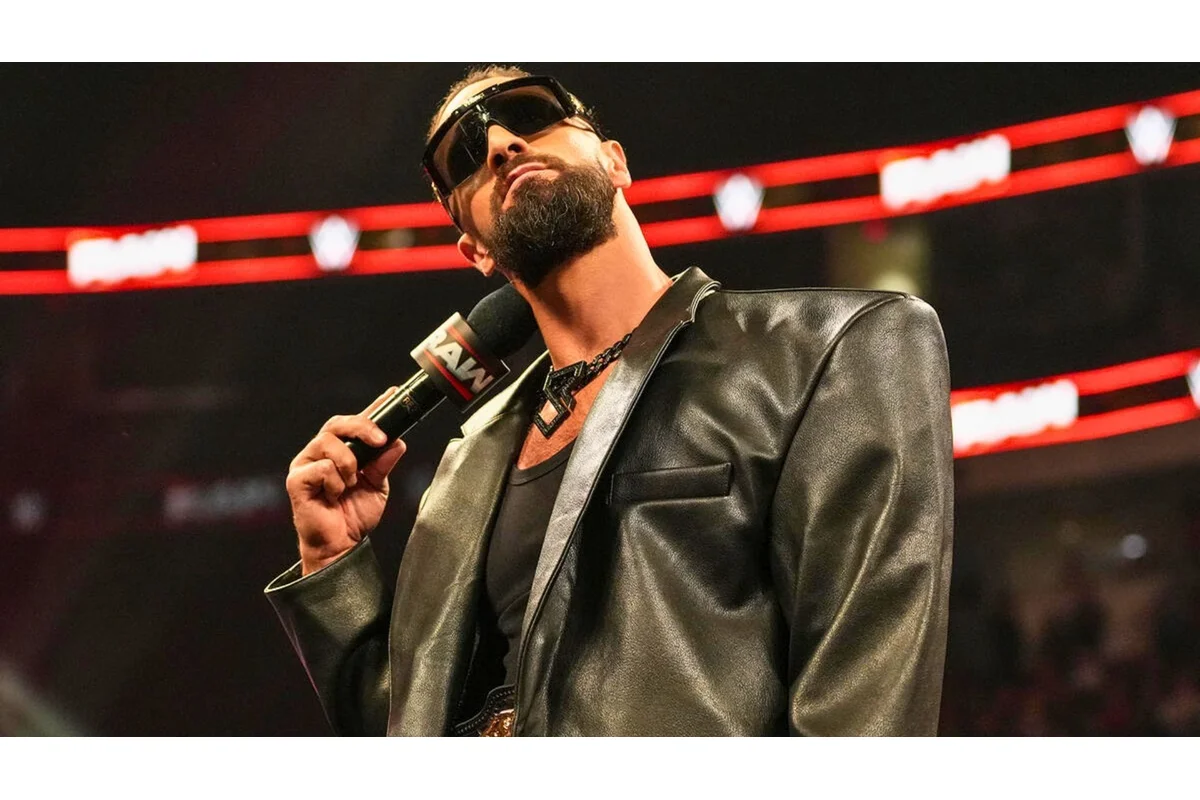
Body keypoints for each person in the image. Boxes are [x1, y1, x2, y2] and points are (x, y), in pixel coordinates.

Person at [265, 65, 955, 736]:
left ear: (615, 161)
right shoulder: (465, 462)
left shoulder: (832, 349)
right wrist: (332, 564)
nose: (501, 143)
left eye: (530, 114)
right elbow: (407, 727)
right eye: (463, 157)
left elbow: (864, 700)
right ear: (474, 249)